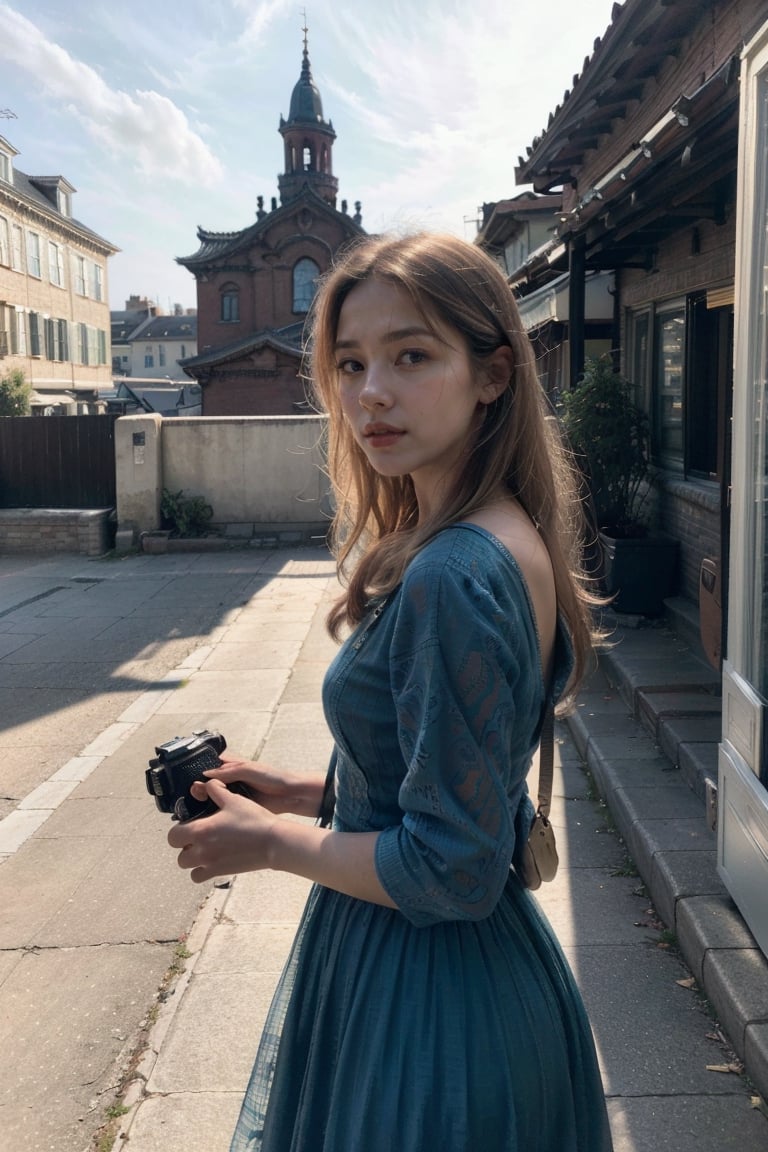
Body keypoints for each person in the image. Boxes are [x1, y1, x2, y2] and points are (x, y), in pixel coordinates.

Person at [168, 232, 614, 1152]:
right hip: (466, 983)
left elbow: (450, 865)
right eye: (350, 363)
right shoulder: (496, 528)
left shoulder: (455, 569)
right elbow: (449, 772)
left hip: (429, 1010)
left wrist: (275, 842)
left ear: (492, 374)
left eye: (412, 355)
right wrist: (300, 792)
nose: (372, 392)